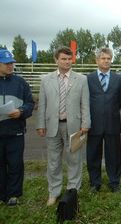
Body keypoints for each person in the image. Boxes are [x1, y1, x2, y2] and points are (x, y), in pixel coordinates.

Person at [36, 46, 90, 206]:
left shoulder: (81, 79)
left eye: (69, 59)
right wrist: (40, 124)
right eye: (63, 59)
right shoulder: (46, 80)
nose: (67, 62)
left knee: (75, 159)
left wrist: (86, 124)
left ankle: (73, 191)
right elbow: (42, 104)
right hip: (52, 126)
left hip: (75, 127)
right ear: (56, 60)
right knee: (53, 162)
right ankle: (54, 192)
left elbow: (85, 104)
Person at [86, 47, 121, 194]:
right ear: (97, 60)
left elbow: (120, 101)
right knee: (93, 155)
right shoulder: (88, 79)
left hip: (112, 123)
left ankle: (114, 182)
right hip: (94, 124)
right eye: (103, 58)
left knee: (114, 155)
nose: (106, 61)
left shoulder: (119, 79)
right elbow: (85, 101)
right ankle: (95, 183)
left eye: (108, 58)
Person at [0, 49, 34, 206]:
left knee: (15, 164)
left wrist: (20, 111)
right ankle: (1, 195)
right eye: (7, 63)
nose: (10, 65)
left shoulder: (20, 83)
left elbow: (30, 104)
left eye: (12, 63)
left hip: (16, 131)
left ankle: (14, 194)